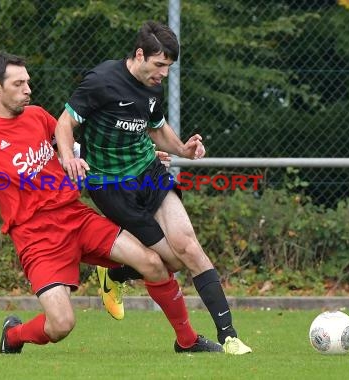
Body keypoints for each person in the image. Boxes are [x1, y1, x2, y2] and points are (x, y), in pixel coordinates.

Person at [0, 52, 223, 354]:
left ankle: (187, 340)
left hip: (75, 216)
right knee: (62, 324)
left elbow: (73, 151)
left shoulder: (37, 116)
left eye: (28, 82)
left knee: (153, 262)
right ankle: (14, 335)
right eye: (18, 83)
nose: (27, 89)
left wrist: (146, 153)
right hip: (37, 238)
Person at [55, 21, 252, 355]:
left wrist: (184, 150)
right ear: (139, 55)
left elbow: (157, 130)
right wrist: (68, 158)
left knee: (189, 248)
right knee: (169, 264)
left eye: (169, 68)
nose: (163, 73)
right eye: (159, 65)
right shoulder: (102, 81)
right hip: (112, 186)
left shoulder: (152, 87)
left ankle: (229, 336)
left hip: (149, 172)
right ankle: (115, 275)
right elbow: (64, 123)